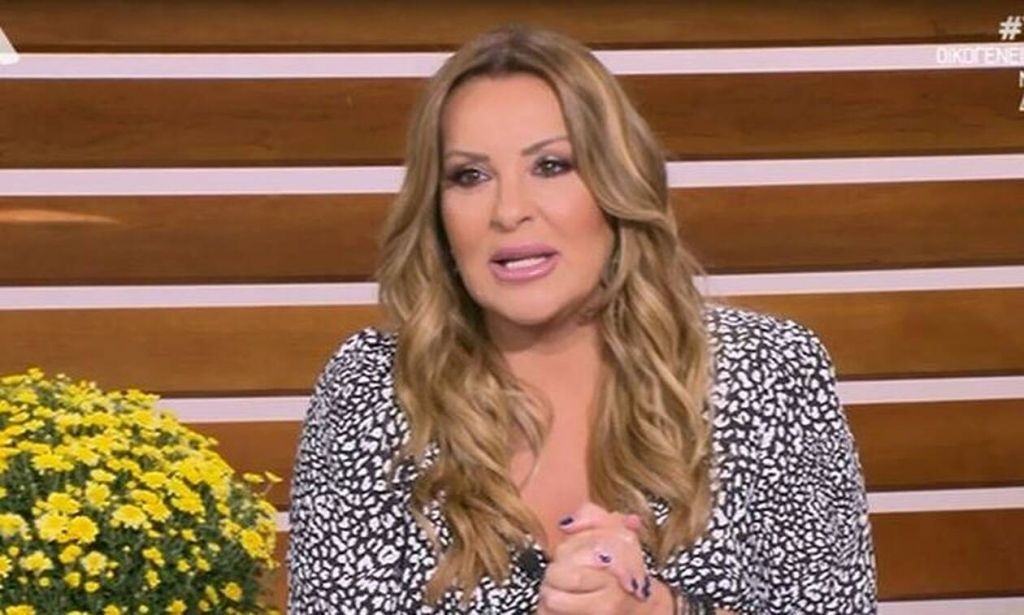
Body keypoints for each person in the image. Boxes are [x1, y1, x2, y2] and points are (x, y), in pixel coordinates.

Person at [287, 22, 877, 615]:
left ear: (616, 184)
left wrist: (659, 612)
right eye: (470, 175)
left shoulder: (767, 371)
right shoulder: (374, 388)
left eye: (551, 166)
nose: (509, 211)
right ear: (437, 212)